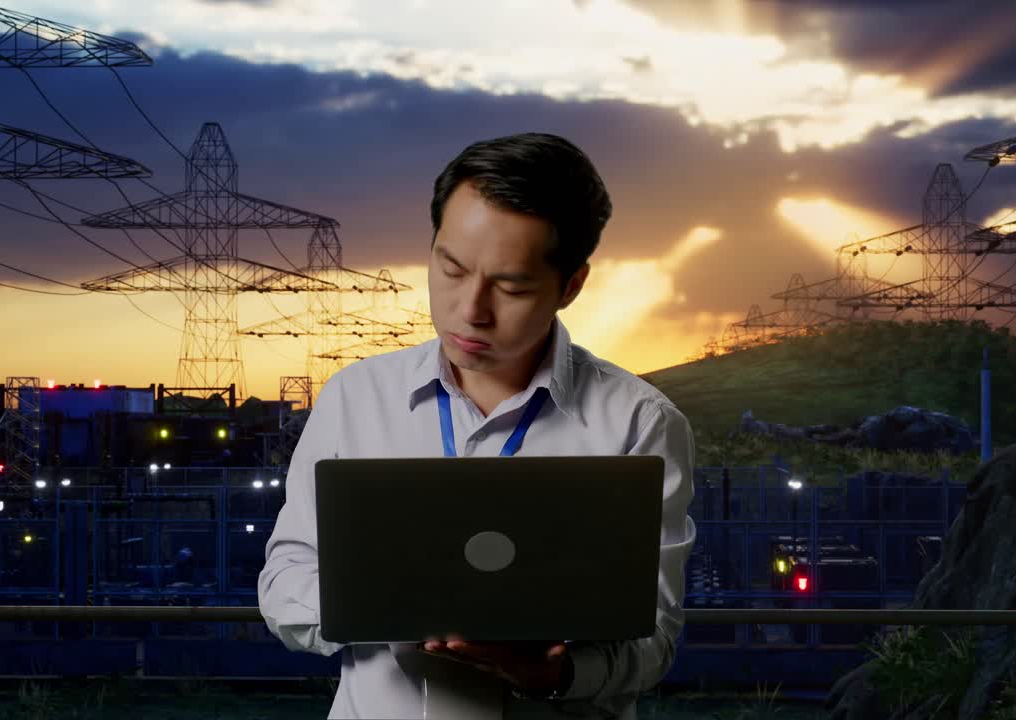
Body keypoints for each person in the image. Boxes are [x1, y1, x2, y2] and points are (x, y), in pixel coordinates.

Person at [258, 132, 697, 719]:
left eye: (510, 286)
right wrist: (375, 607)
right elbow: (284, 584)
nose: (470, 310)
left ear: (571, 286)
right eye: (451, 268)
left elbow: (654, 639)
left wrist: (553, 673)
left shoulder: (638, 423)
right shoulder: (356, 398)